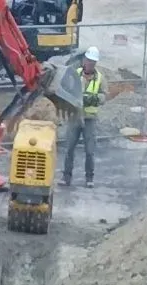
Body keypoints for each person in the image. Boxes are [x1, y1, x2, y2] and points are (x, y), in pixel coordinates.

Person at [56, 43, 100, 187]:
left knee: (89, 150)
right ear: (84, 60)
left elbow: (104, 96)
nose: (88, 64)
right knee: (69, 148)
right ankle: (66, 177)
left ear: (95, 63)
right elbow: (66, 89)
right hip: (75, 117)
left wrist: (92, 98)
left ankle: (89, 178)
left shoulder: (100, 79)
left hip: (89, 120)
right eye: (87, 60)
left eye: (92, 62)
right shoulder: (74, 74)